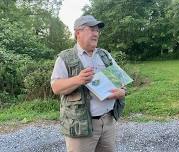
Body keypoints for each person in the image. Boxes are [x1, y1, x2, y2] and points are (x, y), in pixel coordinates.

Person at [51, 15, 126, 152]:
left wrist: (122, 92)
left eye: (97, 30)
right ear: (78, 32)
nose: (96, 33)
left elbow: (120, 81)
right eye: (91, 29)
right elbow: (55, 87)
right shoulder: (65, 57)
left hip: (107, 121)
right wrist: (78, 79)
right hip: (80, 127)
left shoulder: (104, 55)